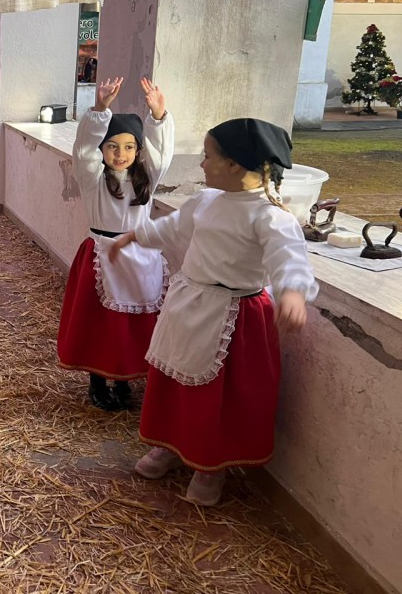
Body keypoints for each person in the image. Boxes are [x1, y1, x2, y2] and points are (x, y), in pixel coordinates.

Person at [108, 118, 318, 506]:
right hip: (189, 304)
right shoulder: (206, 201)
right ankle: (170, 446)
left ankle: (210, 466)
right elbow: (173, 227)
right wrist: (137, 234)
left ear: (235, 164)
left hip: (233, 316)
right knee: (175, 381)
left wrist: (292, 294)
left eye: (208, 157)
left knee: (217, 395)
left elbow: (289, 260)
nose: (202, 164)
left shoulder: (270, 217)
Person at [57, 77, 174, 411]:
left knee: (131, 325)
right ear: (102, 150)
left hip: (140, 257)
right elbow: (82, 151)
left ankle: (124, 380)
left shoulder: (146, 178)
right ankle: (97, 381)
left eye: (128, 147)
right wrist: (100, 110)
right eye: (112, 146)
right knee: (101, 326)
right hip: (102, 255)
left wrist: (159, 117)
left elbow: (162, 156)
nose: (120, 154)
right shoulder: (92, 178)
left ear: (139, 151)